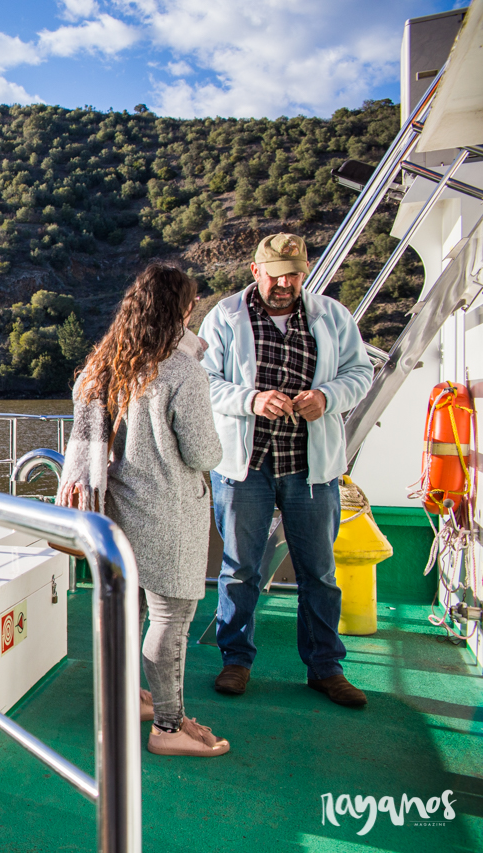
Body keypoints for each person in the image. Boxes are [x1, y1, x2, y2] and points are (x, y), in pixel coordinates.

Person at [198, 234, 374, 706]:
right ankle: (236, 661)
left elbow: (360, 374)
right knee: (239, 570)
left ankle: (325, 669)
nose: (284, 284)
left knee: (319, 571)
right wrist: (251, 400)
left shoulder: (333, 316)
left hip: (310, 468)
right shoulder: (224, 318)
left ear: (305, 271)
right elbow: (205, 382)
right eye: (275, 275)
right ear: (256, 271)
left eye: (293, 274)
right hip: (245, 465)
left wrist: (327, 397)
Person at [60, 263, 228, 757]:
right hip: (169, 512)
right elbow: (201, 453)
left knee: (127, 612)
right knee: (171, 620)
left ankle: (127, 697)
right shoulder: (180, 371)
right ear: (183, 310)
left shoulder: (106, 365)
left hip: (117, 511)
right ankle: (169, 729)